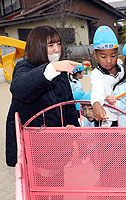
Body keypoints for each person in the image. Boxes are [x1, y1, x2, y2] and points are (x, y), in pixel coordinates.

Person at [6, 25, 81, 167]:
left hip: (58, 145)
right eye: (50, 45)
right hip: (34, 145)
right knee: (36, 185)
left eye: (59, 44)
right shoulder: (24, 67)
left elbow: (68, 103)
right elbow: (20, 89)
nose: (57, 49)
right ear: (37, 46)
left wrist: (75, 131)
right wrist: (52, 68)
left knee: (56, 183)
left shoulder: (60, 72)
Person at [90, 25, 124, 127]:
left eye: (113, 56)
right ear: (95, 55)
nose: (109, 60)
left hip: (124, 118)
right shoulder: (97, 74)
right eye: (103, 56)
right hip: (107, 121)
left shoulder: (123, 71)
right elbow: (97, 91)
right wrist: (96, 104)